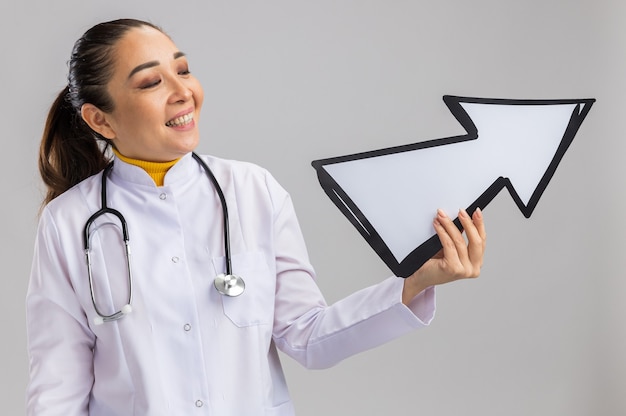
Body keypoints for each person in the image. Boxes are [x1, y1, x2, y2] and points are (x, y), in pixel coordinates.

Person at [26, 18, 486, 415]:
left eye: (182, 70)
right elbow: (57, 389)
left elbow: (307, 336)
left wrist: (416, 283)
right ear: (99, 120)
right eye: (152, 83)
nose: (183, 91)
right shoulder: (70, 223)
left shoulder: (253, 191)